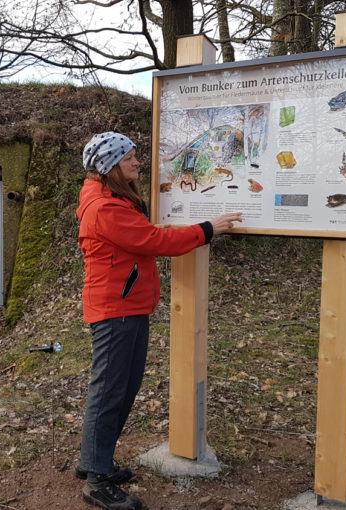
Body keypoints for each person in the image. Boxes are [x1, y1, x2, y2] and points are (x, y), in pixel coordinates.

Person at [75, 132, 242, 510]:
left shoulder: (111, 197)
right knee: (109, 393)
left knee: (122, 388)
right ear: (111, 165)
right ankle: (97, 481)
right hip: (115, 310)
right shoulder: (106, 208)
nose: (138, 163)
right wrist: (208, 229)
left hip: (127, 305)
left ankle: (93, 463)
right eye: (131, 158)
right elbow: (155, 241)